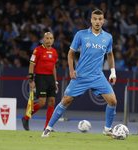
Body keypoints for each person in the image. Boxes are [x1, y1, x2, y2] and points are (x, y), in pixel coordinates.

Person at [42, 9, 117, 137]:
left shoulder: (108, 37)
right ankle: (48, 128)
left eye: (100, 19)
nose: (97, 22)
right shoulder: (81, 35)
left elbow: (110, 54)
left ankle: (107, 129)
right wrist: (71, 70)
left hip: (98, 76)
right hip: (81, 76)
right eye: (95, 19)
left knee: (113, 101)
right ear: (91, 20)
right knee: (65, 100)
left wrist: (112, 72)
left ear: (103, 21)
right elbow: (70, 53)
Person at [21, 32, 58, 131]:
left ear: (53, 40)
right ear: (43, 39)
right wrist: (31, 79)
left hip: (50, 78)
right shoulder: (37, 50)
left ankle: (47, 127)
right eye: (47, 38)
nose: (49, 40)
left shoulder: (54, 52)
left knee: (52, 101)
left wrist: (56, 82)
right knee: (41, 103)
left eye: (51, 38)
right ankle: (25, 118)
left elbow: (54, 67)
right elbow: (31, 65)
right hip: (40, 77)